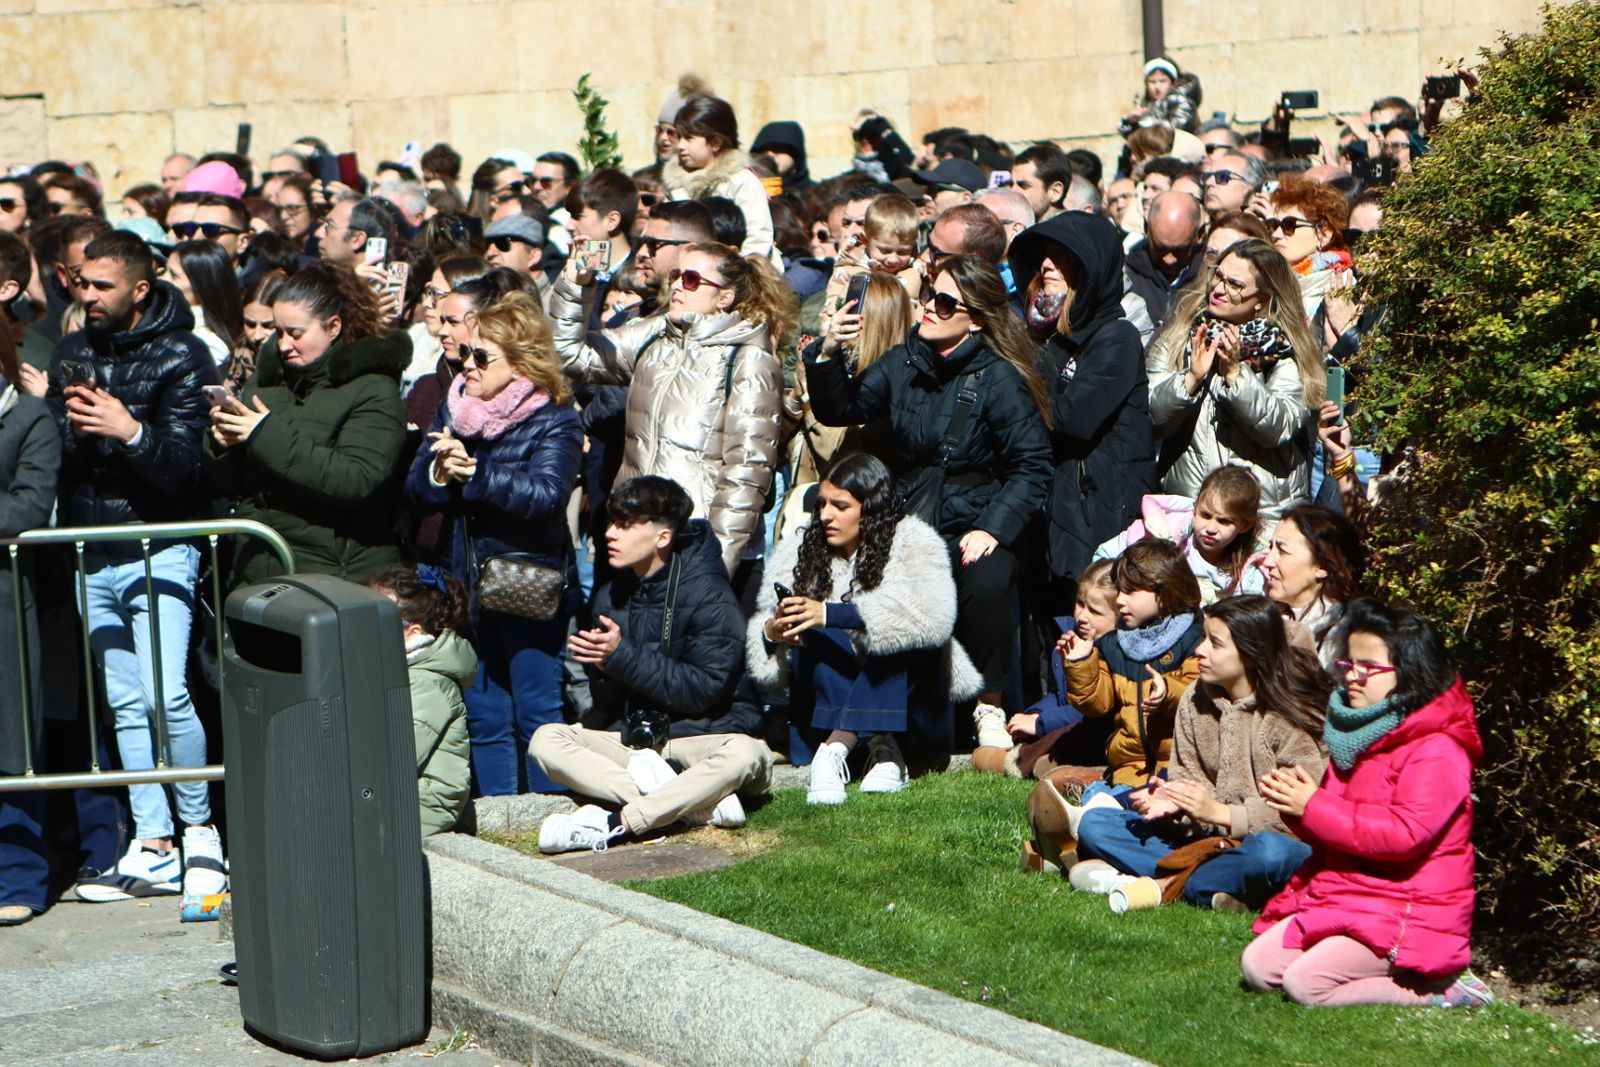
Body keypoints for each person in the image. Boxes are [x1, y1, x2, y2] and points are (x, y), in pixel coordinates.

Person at [805, 254, 1053, 746]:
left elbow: (1032, 466)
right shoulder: (905, 359)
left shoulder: (999, 379)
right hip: (914, 514)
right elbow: (842, 408)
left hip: (978, 516)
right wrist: (828, 352)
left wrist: (993, 528)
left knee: (986, 580)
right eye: (927, 297)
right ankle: (877, 720)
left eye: (944, 302)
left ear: (976, 319)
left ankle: (989, 705)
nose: (928, 309)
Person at [47, 230, 225, 902]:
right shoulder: (72, 350)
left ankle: (200, 832)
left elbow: (188, 468)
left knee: (163, 693)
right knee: (124, 701)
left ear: (139, 289)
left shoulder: (184, 353)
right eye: (81, 284)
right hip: (91, 548)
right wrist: (62, 423)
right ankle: (152, 842)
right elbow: (58, 453)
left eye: (101, 286)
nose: (86, 297)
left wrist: (131, 432)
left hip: (161, 543)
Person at [1244, 599, 1495, 1008]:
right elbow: (1339, 831)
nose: (1353, 678)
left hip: (1405, 907)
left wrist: (1314, 806)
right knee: (1259, 967)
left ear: (1411, 673)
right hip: (1348, 895)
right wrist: (1299, 807)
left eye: (1370, 667)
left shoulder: (1438, 747)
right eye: (1348, 664)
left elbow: (1404, 835)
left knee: (1306, 986)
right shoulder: (1357, 733)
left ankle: (1443, 991)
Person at [532, 475, 771, 851]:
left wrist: (622, 656)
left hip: (701, 738)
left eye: (625, 525)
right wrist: (602, 667)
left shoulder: (709, 594)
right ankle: (694, 802)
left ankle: (619, 822)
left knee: (747, 753)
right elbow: (608, 703)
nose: (610, 533)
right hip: (638, 749)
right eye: (611, 522)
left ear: (663, 537)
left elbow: (702, 692)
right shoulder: (612, 593)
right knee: (547, 740)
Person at [403, 291, 581, 795]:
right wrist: (439, 473)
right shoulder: (453, 405)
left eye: (483, 356)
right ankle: (501, 815)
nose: (469, 364)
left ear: (522, 361)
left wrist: (477, 475)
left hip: (527, 582)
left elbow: (547, 496)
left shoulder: (556, 417)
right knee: (482, 712)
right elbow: (415, 490)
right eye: (468, 353)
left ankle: (544, 811)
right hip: (463, 584)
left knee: (537, 709)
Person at [1066, 595, 1330, 911]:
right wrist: (1174, 806)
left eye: (1214, 643)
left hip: (1265, 842)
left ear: (1249, 653)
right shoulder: (1196, 699)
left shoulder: (1290, 712)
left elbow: (1296, 813)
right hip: (1205, 843)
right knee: (1096, 823)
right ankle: (1208, 887)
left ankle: (1164, 882)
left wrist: (1220, 813)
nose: (1199, 650)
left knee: (1274, 854)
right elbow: (1188, 781)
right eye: (1203, 638)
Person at [549, 241, 787, 576]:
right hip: (634, 532)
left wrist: (714, 566)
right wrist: (576, 284)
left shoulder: (748, 359)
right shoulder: (655, 335)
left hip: (690, 541)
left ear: (725, 297)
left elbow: (747, 473)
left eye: (691, 279)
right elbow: (569, 353)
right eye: (675, 275)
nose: (676, 285)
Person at [751, 454, 980, 800]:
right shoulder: (800, 548)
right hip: (822, 708)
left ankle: (846, 748)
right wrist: (773, 632)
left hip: (910, 719)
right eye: (822, 503)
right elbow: (766, 642)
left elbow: (935, 617)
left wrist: (832, 614)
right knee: (813, 626)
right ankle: (872, 746)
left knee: (896, 632)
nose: (826, 514)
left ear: (870, 508)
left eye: (840, 506)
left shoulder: (915, 541)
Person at [205, 263, 409, 587]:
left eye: (296, 334)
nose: (284, 345)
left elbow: (357, 479)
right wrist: (223, 442)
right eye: (279, 332)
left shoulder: (372, 388)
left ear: (333, 327)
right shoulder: (266, 382)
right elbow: (238, 486)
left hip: (333, 576)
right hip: (259, 568)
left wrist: (263, 434)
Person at [1007, 212, 1155, 595]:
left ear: (1091, 269)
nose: (1046, 265)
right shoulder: (1035, 333)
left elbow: (1071, 419)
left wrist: (1033, 360)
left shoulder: (1115, 337)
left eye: (1061, 256)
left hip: (1096, 508)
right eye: (1043, 256)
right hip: (1043, 507)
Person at [1146, 238, 1324, 522]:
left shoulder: (1284, 349)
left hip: (1261, 513)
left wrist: (1235, 376)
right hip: (1192, 508)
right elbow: (1151, 417)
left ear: (1261, 301)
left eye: (1235, 285)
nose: (1218, 289)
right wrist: (1191, 379)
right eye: (1218, 275)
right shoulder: (1180, 337)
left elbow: (1278, 427)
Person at [1057, 538, 1205, 797]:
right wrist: (1081, 662)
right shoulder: (1115, 644)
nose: (1120, 601)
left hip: (1177, 770)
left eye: (1130, 591)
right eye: (1119, 592)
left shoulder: (1193, 638)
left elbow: (1202, 697)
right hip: (1128, 769)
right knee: (1101, 799)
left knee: (1104, 807)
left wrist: (1168, 692)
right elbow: (1096, 705)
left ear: (1163, 591)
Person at [0, 325, 61, 925]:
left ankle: (18, 876)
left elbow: (29, 505)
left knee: (9, 738)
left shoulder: (28, 418)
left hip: (3, 598)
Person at [367, 566, 474, 836]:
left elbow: (399, 755)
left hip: (425, 800)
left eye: (375, 618)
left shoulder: (427, 683)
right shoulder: (392, 665)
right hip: (394, 789)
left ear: (412, 631)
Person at [787, 272, 910, 489]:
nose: (832, 312)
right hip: (801, 495)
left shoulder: (886, 381)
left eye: (845, 306)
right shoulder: (831, 360)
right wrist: (796, 398)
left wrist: (809, 392)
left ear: (869, 318)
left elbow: (834, 450)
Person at [1095, 464, 1268, 603]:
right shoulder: (1167, 531)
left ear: (1244, 525)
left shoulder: (1250, 568)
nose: (1211, 528)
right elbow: (1103, 557)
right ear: (1195, 508)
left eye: (1224, 521)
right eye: (1205, 515)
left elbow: (1247, 614)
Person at [663, 96, 777, 262]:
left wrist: (736, 276)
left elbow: (758, 237)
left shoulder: (740, 181)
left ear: (716, 142)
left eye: (689, 138)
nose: (680, 145)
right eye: (679, 137)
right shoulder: (677, 186)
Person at [1263, 504, 1363, 666]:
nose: (1267, 561)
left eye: (1282, 551)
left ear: (1322, 566)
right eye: (1270, 547)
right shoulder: (1261, 616)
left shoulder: (1346, 636)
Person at [1265, 174, 1355, 343]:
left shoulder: (1341, 284)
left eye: (1289, 225)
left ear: (1324, 233)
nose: (1276, 235)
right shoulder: (1269, 278)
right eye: (1274, 225)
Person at [1125, 191, 1204, 329]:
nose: (1169, 259)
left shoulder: (1211, 280)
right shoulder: (1125, 278)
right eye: (1160, 248)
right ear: (1146, 228)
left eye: (1180, 250)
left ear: (1200, 235)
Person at [165, 239, 241, 367]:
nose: (161, 279)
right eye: (164, 271)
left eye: (173, 275)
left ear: (201, 286)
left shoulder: (211, 346)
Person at [1010, 143, 1072, 222]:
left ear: (1055, 191)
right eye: (1011, 184)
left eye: (1024, 186)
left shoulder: (1065, 231)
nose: (1013, 191)